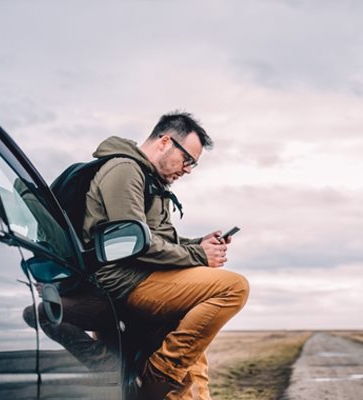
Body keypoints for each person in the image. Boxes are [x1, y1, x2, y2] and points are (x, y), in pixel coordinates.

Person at [82, 112, 249, 400]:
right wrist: (198, 254)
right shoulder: (124, 170)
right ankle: (158, 377)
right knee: (234, 287)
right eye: (188, 160)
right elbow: (134, 244)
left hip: (146, 276)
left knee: (193, 341)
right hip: (123, 279)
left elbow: (158, 239)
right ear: (165, 142)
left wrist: (199, 243)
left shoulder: (152, 181)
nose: (188, 170)